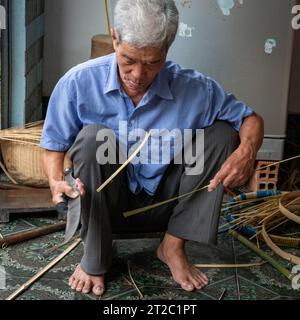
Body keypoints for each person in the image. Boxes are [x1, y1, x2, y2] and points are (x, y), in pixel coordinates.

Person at [41, 0, 264, 296]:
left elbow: (250, 119)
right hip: (104, 204)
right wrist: (56, 181)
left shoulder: (195, 89)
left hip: (169, 205)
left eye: (152, 62)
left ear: (167, 50)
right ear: (115, 38)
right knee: (94, 138)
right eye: (128, 59)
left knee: (223, 135)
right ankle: (95, 254)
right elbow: (53, 146)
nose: (137, 75)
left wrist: (246, 152)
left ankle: (172, 246)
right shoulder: (78, 83)